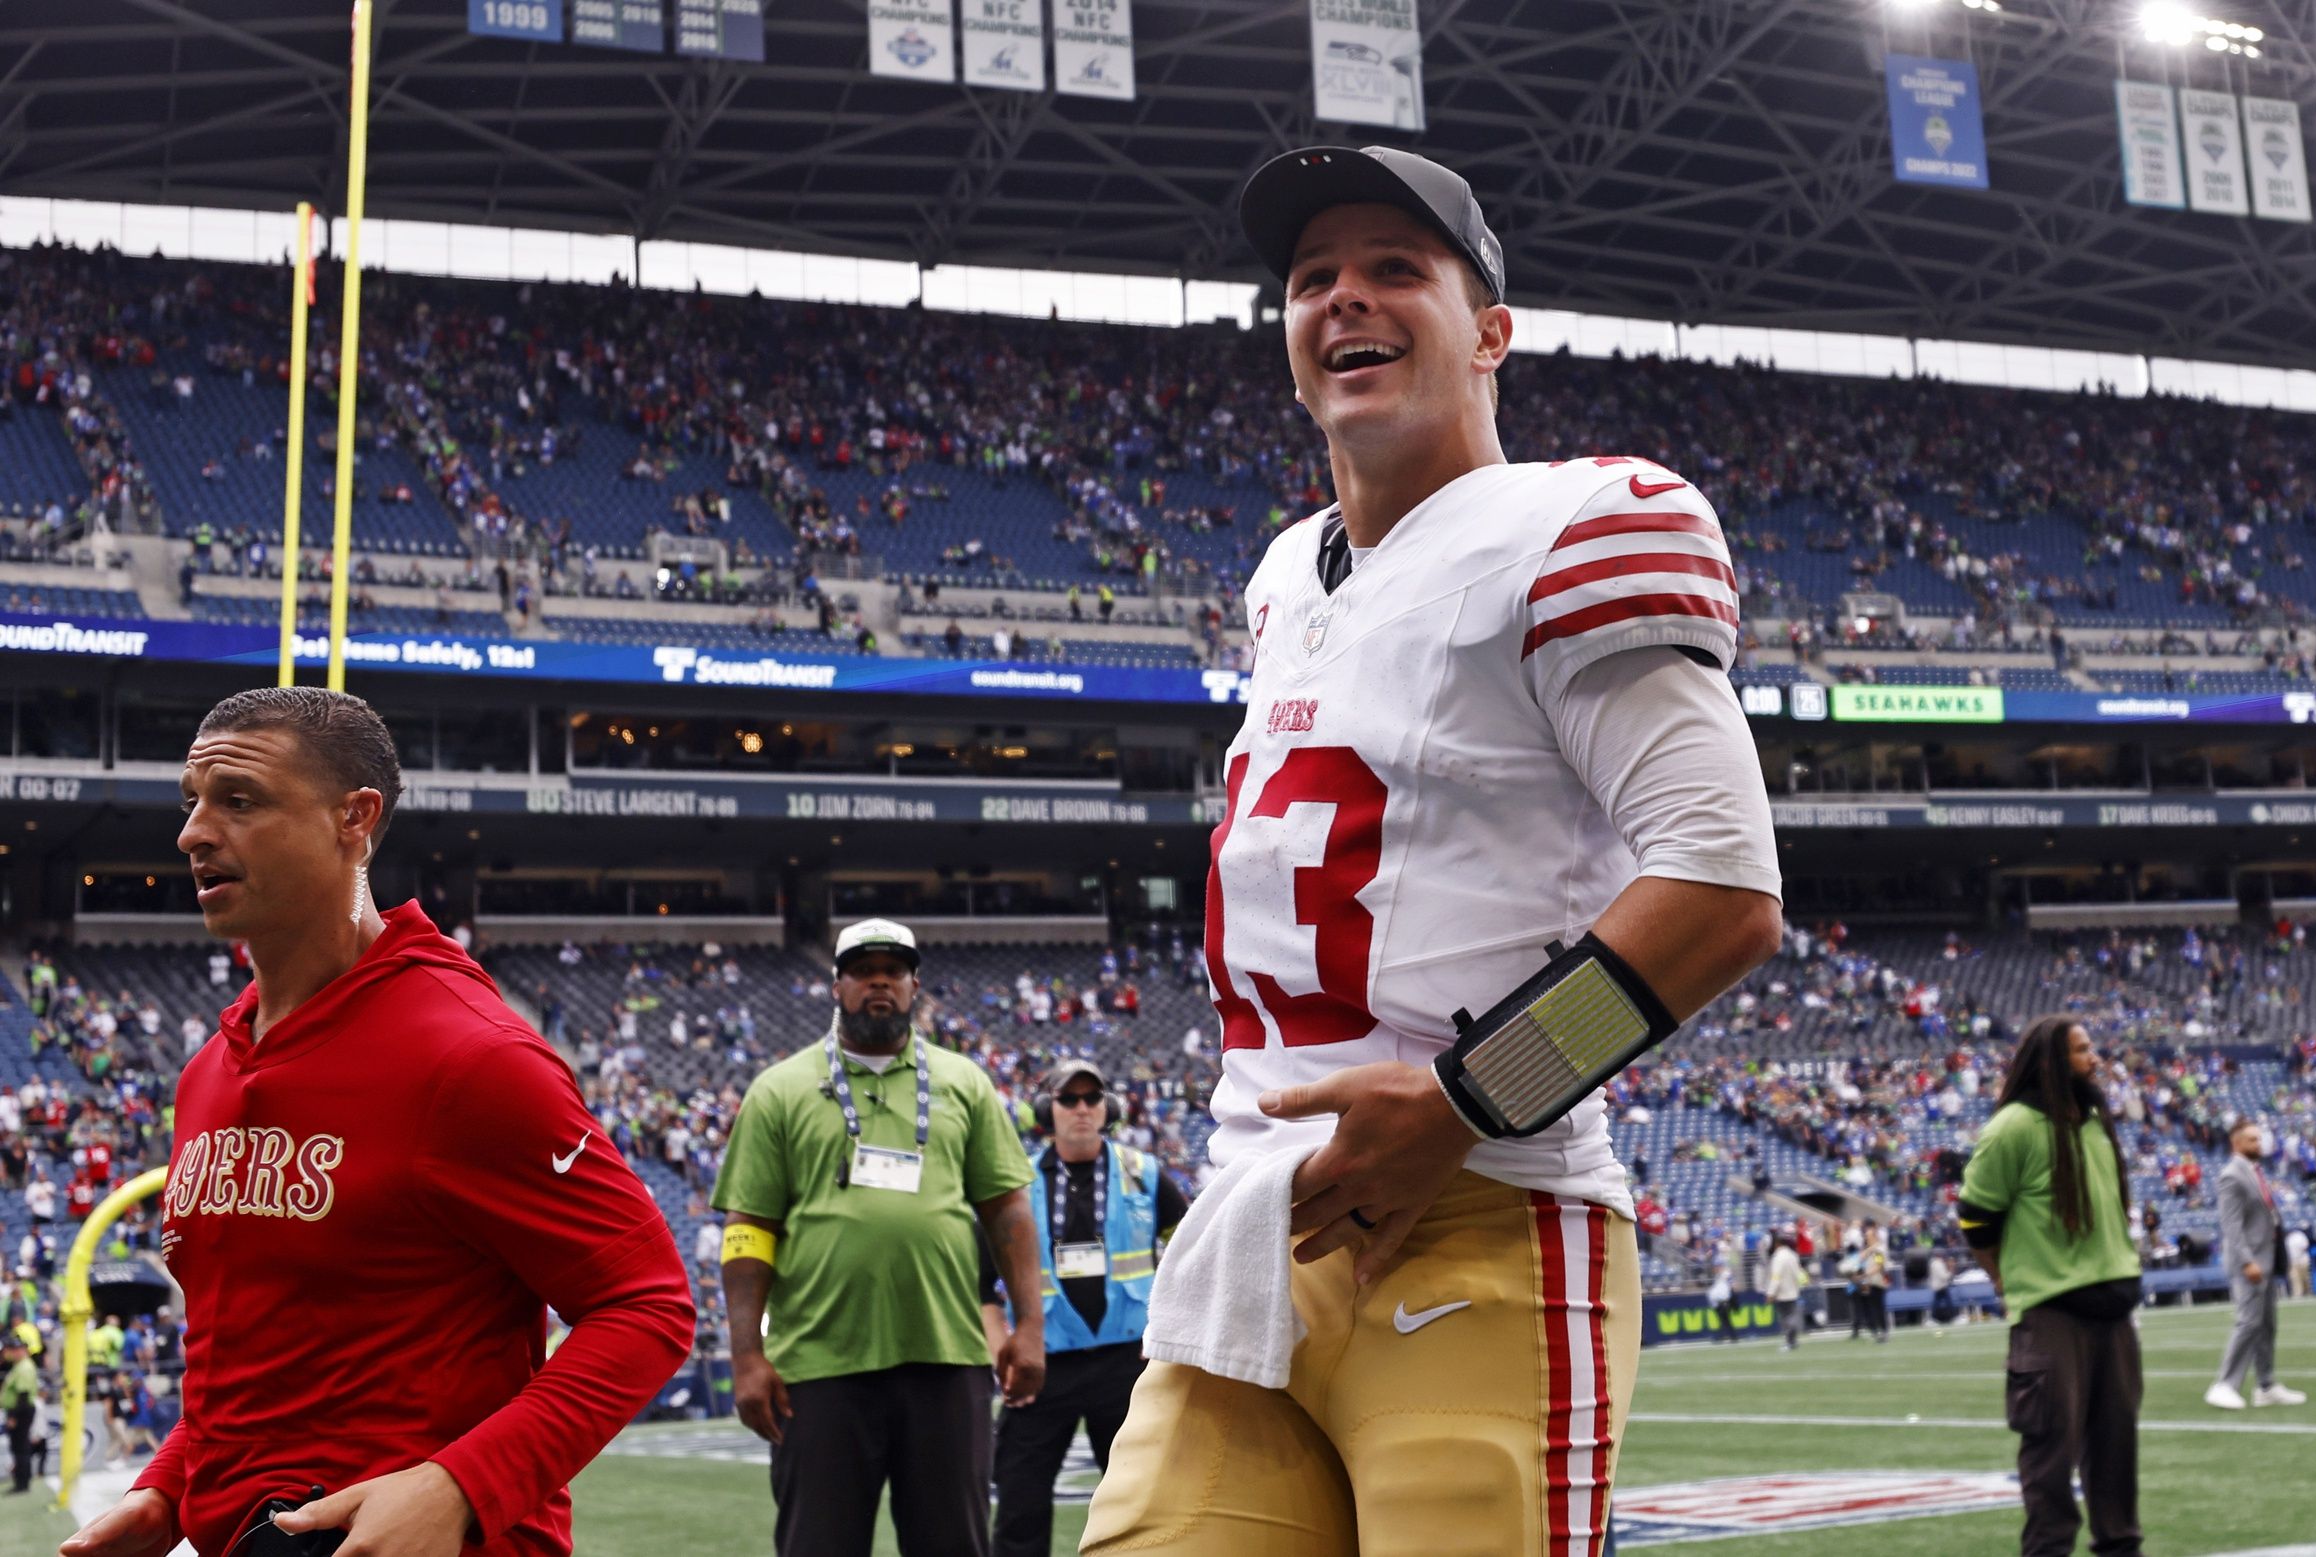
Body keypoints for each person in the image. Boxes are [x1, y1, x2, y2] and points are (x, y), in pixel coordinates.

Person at [1083, 143, 1784, 1556]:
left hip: (1484, 1223)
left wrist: (1468, 1098)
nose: (1345, 298)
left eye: (1397, 269)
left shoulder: (1575, 525)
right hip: (1255, 1240)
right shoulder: (1285, 573)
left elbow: (1721, 893)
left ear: (1490, 331)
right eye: (1310, 278)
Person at [60, 686, 696, 1557]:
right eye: (192, 801)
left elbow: (646, 1303)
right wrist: (170, 1487)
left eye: (238, 801)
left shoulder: (467, 1055)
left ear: (353, 818)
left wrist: (460, 1485)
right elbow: (271, 1346)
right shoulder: (208, 1071)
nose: (193, 833)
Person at [714, 918, 1046, 1557]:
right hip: (817, 1364)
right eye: (864, 972)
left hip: (947, 1356)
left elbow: (1008, 1213)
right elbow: (749, 1231)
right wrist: (745, 1356)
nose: (879, 984)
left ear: (914, 984)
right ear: (837, 986)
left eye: (893, 972)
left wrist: (1030, 1325)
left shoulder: (965, 1083)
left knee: (955, 1545)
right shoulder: (778, 1090)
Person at [983, 1060, 1189, 1557]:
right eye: (1068, 1099)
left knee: (1144, 1507)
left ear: (1108, 1109)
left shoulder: (1145, 1175)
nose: (1081, 1109)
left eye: (1091, 1099)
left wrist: (1169, 1337)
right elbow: (980, 1287)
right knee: (1019, 1508)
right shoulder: (1014, 1185)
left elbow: (1191, 1255)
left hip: (1127, 1365)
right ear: (1044, 1111)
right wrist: (1003, 1355)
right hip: (1039, 1368)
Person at [1958, 1015, 2144, 1557]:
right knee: (2050, 1458)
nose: (2095, 1059)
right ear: (2049, 1062)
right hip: (2051, 1315)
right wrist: (2001, 1277)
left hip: (2114, 1312)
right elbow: (1975, 1217)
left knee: (2116, 1453)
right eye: (2083, 1050)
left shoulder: (2094, 1120)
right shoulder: (2012, 1127)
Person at [2206, 1118, 2306, 1409]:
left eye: (2259, 1139)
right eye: (2252, 1140)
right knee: (2248, 1323)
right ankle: (2224, 1384)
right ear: (2236, 1143)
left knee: (2266, 1326)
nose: (2258, 1144)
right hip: (2249, 1263)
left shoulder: (2253, 1171)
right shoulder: (2231, 1176)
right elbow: (2231, 1226)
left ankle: (2266, 1385)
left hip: (2266, 1259)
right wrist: (2247, 1261)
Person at [2, 1331, 34, 1495]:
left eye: (15, 1349)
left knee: (20, 1448)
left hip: (21, 1411)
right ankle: (21, 1482)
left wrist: (13, 1416)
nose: (11, 1352)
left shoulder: (24, 1367)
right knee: (19, 1448)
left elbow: (23, 1395)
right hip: (19, 1410)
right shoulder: (20, 1366)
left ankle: (22, 1483)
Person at [1767, 1235, 1806, 1351]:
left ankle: (1789, 1342)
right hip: (1793, 1291)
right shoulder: (1793, 1256)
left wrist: (1771, 1292)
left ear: (1777, 1244)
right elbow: (1798, 1274)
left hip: (1782, 1293)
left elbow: (1776, 1277)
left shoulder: (1778, 1257)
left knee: (1785, 1319)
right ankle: (1793, 1341)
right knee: (1792, 1316)